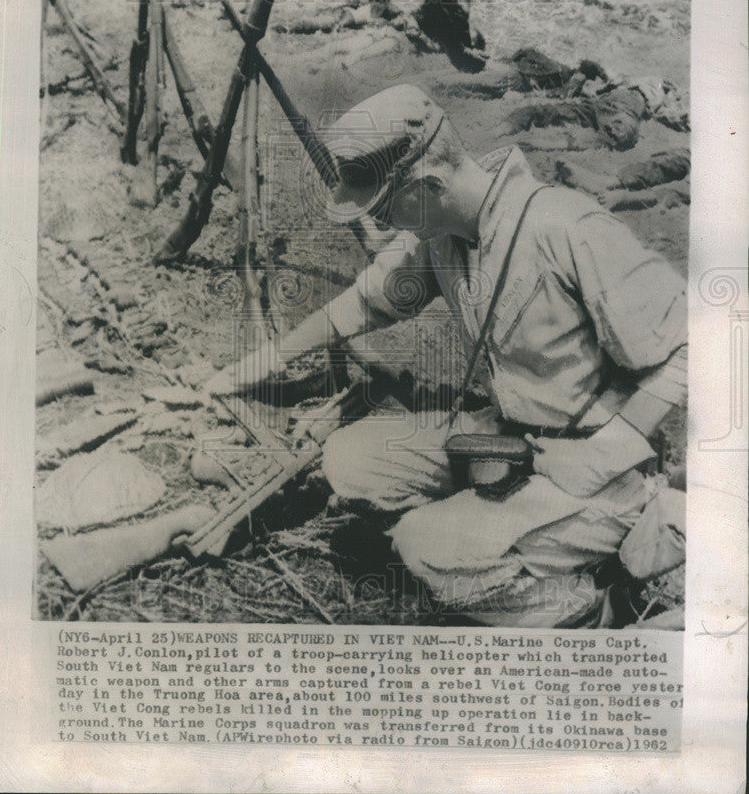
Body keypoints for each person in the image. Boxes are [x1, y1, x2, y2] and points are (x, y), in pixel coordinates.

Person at [205, 84, 687, 627]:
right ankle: (494, 539)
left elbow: (693, 348)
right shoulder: (446, 235)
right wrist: (265, 362)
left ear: (427, 186)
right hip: (511, 441)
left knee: (422, 547)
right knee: (350, 461)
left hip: (601, 471)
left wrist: (606, 451)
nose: (387, 227)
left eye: (386, 211)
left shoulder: (567, 228)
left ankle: (588, 606)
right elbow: (365, 303)